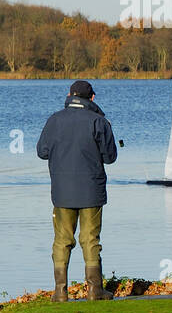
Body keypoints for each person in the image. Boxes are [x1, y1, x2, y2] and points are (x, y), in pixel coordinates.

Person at [36, 80, 119, 301]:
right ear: (91, 98)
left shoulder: (54, 120)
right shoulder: (98, 121)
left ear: (69, 95)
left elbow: (42, 152)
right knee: (90, 239)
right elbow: (110, 157)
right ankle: (95, 290)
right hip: (91, 190)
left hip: (62, 192)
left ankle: (60, 291)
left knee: (62, 239)